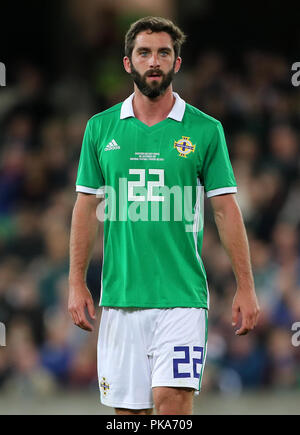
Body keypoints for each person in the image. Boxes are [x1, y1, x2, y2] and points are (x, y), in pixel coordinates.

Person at [68, 16, 260, 415]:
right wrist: (76, 282)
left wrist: (246, 285)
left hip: (183, 300)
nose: (153, 61)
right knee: (130, 417)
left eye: (163, 53)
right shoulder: (100, 129)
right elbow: (86, 208)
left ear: (177, 63)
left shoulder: (206, 130)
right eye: (144, 53)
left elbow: (225, 210)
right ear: (128, 63)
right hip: (120, 299)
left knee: (172, 406)